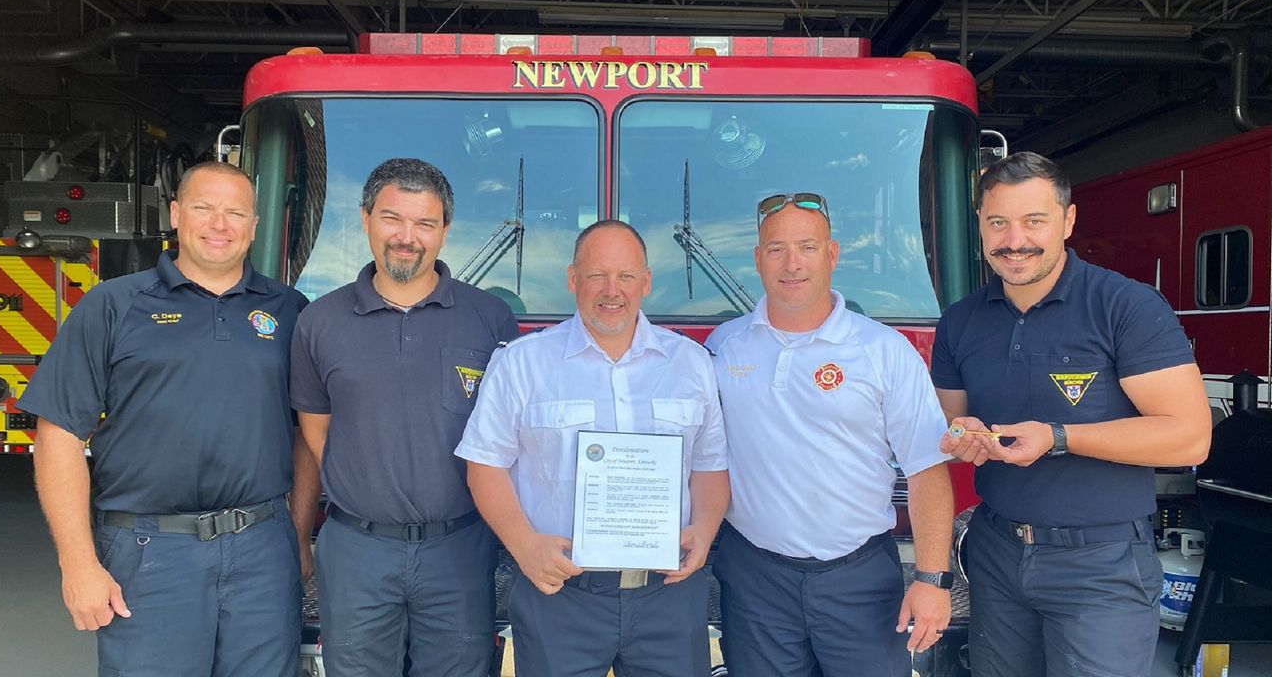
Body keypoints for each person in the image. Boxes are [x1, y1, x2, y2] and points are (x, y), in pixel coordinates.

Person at [22, 161, 309, 676]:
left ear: (254, 225)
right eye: (203, 208)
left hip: (262, 549)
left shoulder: (290, 310)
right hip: (148, 552)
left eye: (235, 212)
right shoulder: (112, 305)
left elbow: (307, 435)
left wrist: (300, 536)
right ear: (175, 215)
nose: (219, 224)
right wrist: (78, 562)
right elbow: (59, 434)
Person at [931, 152, 1211, 677]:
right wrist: (962, 433)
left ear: (1069, 220)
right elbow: (951, 423)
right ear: (981, 226)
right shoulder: (960, 321)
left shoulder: (1125, 306)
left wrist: (1058, 437)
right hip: (996, 554)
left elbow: (1189, 438)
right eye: (998, 222)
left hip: (1100, 564)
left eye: (1034, 220)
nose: (1015, 240)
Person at [456, 219, 729, 677]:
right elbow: (484, 464)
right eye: (597, 275)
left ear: (645, 282)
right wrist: (524, 546)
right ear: (572, 279)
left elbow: (709, 465)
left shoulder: (691, 363)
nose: (612, 290)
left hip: (667, 596)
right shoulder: (523, 363)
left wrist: (703, 528)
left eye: (625, 276)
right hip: (560, 596)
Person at [706, 192, 954, 677]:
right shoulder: (723, 346)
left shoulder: (885, 350)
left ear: (832, 254)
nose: (792, 264)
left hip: (858, 580)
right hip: (756, 579)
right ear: (757, 260)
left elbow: (927, 468)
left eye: (807, 247)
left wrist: (931, 579)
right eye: (776, 249)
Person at [290, 157, 518, 677]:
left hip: (460, 548)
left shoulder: (490, 319)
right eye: (393, 218)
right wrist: (373, 484)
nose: (406, 237)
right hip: (356, 552)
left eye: (424, 223)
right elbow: (316, 429)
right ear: (366, 217)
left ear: (444, 232)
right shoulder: (318, 322)